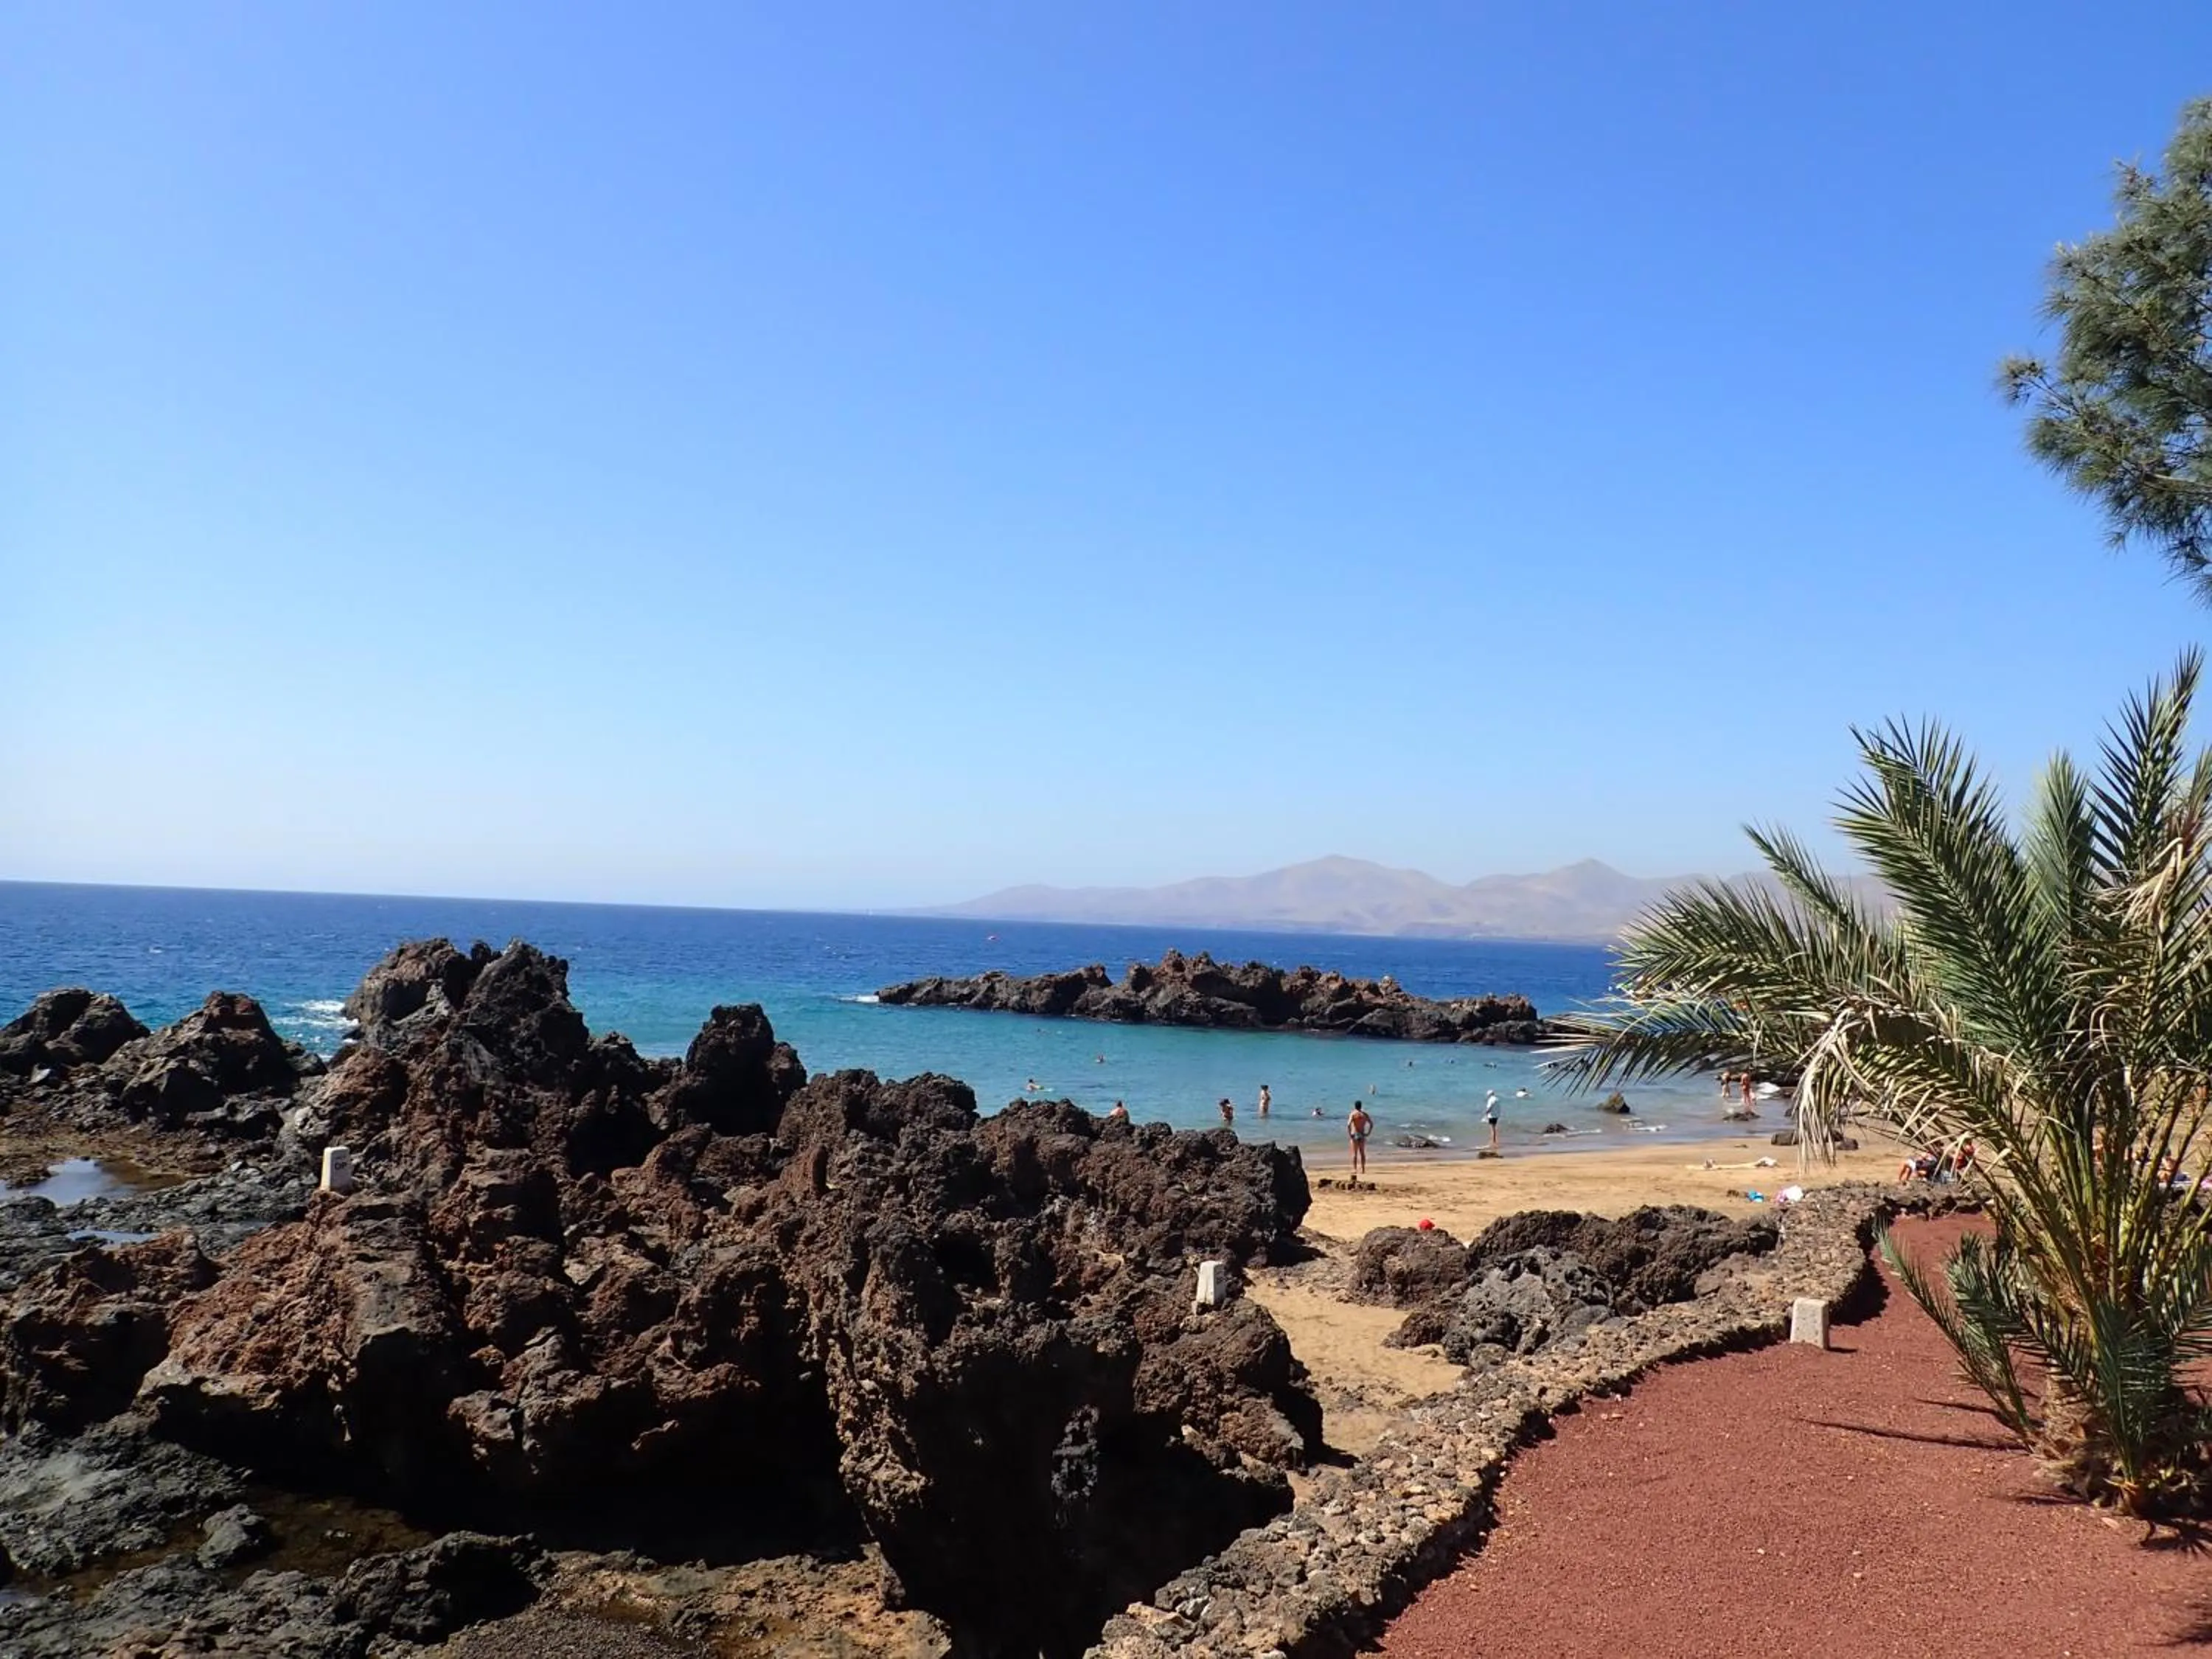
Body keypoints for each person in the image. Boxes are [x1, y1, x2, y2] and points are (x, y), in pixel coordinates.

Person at [1346, 1100, 1373, 1177]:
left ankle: (1355, 1169)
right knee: (1362, 1152)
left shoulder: (1353, 1114)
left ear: (1355, 1106)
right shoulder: (1364, 1115)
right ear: (1361, 1106)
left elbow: (1348, 1125)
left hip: (1355, 1134)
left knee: (1355, 1153)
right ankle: (1363, 1169)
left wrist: (1350, 1134)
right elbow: (1371, 1124)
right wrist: (1368, 1133)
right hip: (1362, 1134)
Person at [1484, 1089, 1500, 1155]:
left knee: (1492, 1129)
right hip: (1497, 1115)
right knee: (1494, 1128)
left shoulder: (1490, 1100)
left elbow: (1489, 1108)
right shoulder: (1497, 1099)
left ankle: (1493, 1142)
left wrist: (1486, 1113)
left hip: (1491, 1115)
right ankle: (1494, 1141)